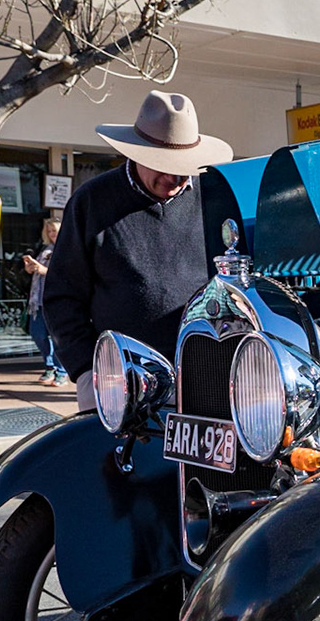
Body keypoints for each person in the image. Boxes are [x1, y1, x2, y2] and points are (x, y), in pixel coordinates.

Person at [42, 90, 238, 410]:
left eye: (182, 165)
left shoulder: (215, 199)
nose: (172, 177)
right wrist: (85, 371)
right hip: (119, 380)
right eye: (161, 164)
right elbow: (62, 296)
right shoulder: (91, 201)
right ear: (134, 154)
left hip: (209, 376)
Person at [22, 214, 67, 387]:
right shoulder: (44, 249)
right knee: (38, 334)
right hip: (38, 301)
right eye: (49, 231)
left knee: (57, 337)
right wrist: (30, 268)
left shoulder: (68, 249)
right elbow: (37, 272)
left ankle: (61, 370)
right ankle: (49, 366)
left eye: (54, 230)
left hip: (56, 300)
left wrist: (42, 270)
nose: (51, 234)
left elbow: (65, 275)